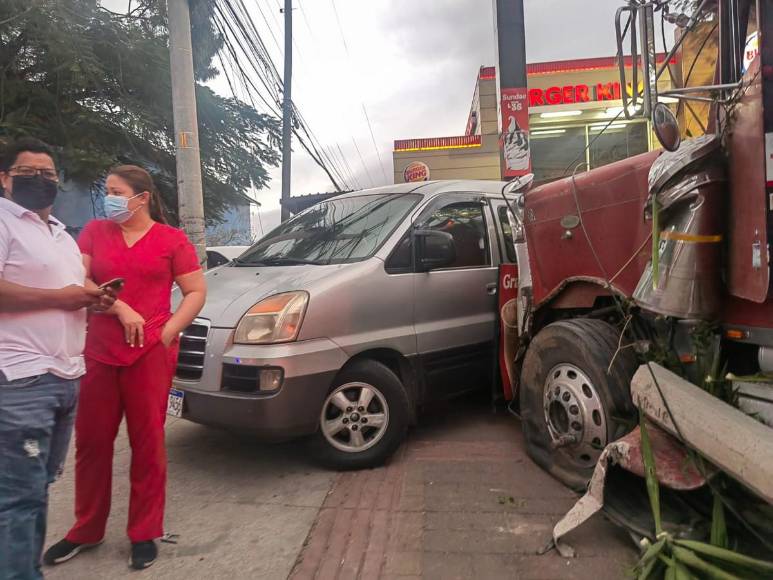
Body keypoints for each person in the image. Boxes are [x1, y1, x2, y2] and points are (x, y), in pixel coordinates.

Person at [44, 165, 206, 571]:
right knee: (92, 442)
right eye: (108, 191)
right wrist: (119, 306)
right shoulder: (95, 232)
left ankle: (144, 531)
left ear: (141, 197)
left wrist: (167, 333)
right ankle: (86, 528)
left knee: (148, 444)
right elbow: (76, 281)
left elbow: (196, 292)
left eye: (117, 191)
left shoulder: (171, 240)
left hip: (150, 354)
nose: (109, 198)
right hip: (98, 350)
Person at [0, 137, 114, 580]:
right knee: (16, 498)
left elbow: (67, 297)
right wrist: (62, 298)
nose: (42, 181)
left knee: (39, 489)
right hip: (21, 378)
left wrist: (90, 300)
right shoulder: (5, 222)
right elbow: (54, 297)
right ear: (5, 178)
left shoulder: (61, 234)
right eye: (30, 173)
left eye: (48, 174)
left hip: (65, 377)